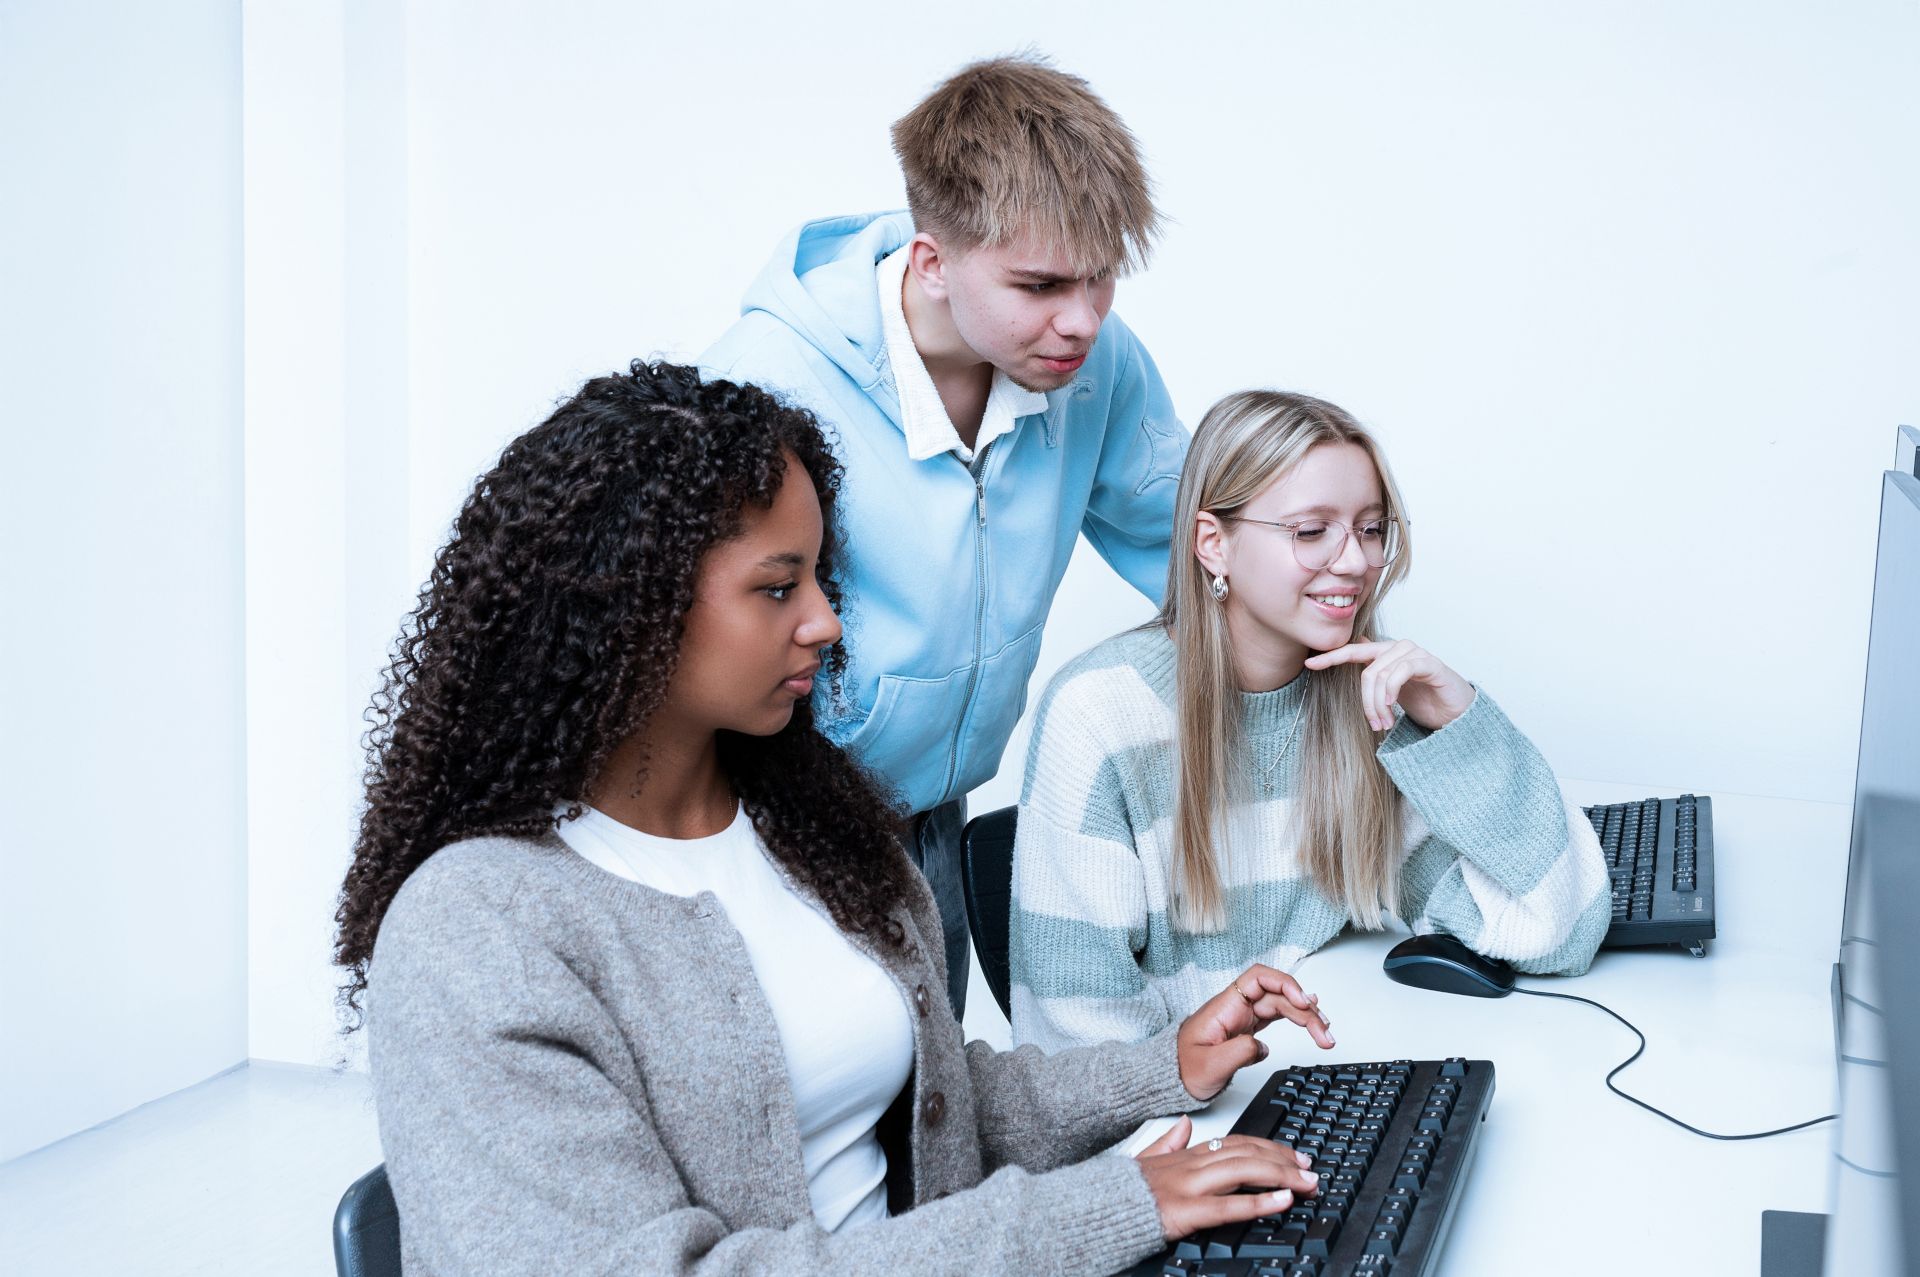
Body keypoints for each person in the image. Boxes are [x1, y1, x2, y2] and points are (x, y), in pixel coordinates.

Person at [333, 363, 1333, 1275]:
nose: (826, 620)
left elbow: (930, 1104)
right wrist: (1103, 1211)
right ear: (626, 605)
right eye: (777, 587)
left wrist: (1167, 1068)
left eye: (820, 576)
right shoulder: (476, 928)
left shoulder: (810, 829)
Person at [701, 55, 1189, 1017]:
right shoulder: (763, 382)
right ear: (931, 260)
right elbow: (695, 642)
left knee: (936, 1127)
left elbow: (1191, 547)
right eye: (1042, 284)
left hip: (939, 816)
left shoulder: (1095, 362)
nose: (1082, 320)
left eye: (1102, 281)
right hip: (775, 823)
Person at [1009, 390, 1612, 1052]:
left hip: (1315, 1083)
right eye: (1311, 529)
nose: (1355, 562)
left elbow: (1557, 928)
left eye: (1371, 528)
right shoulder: (1097, 717)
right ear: (1214, 543)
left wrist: (1457, 719)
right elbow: (1076, 1059)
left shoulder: (1364, 702)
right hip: (1178, 1131)